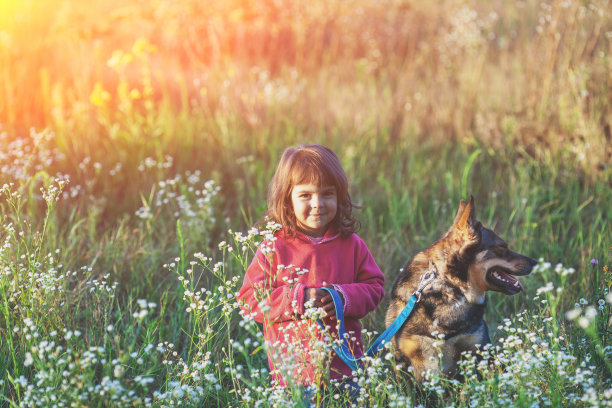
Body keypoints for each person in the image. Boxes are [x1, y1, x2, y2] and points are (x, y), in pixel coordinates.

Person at [237, 144, 385, 395]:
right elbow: (249, 299)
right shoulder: (274, 246)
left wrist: (342, 297)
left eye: (327, 194)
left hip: (346, 369)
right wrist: (297, 299)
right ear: (287, 199)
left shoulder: (351, 244)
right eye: (305, 195)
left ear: (340, 196)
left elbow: (375, 287)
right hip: (293, 375)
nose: (317, 203)